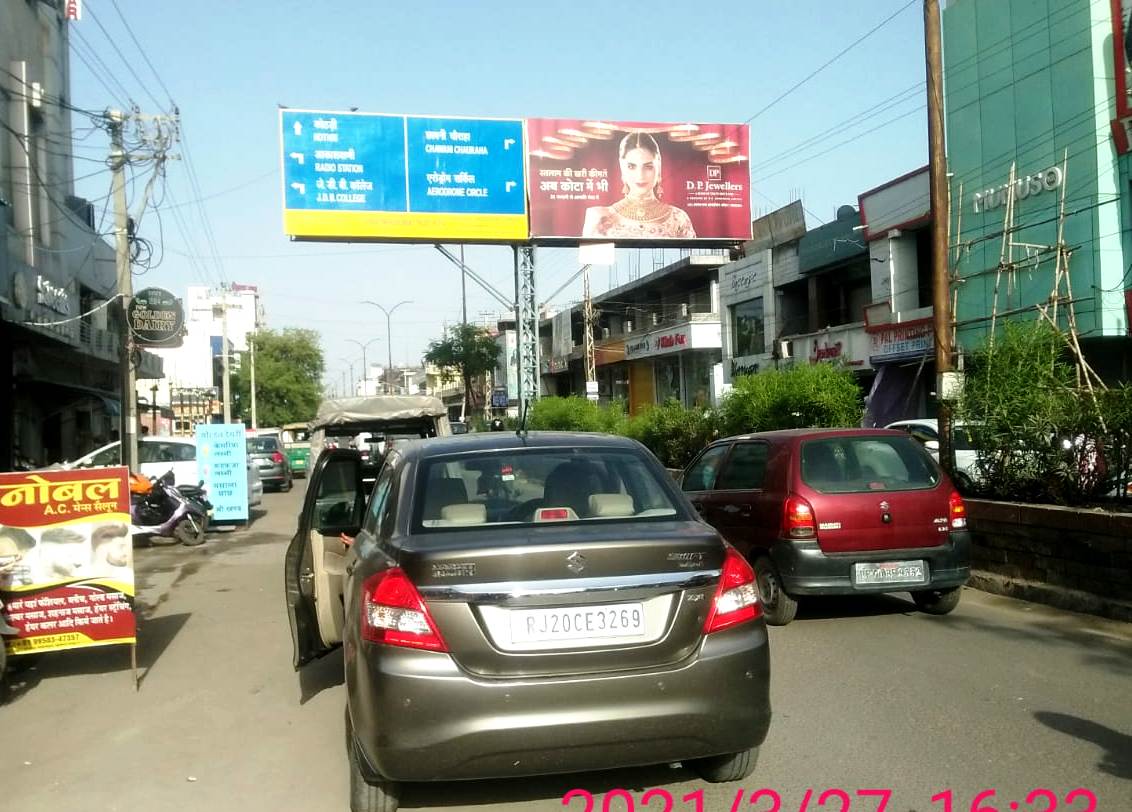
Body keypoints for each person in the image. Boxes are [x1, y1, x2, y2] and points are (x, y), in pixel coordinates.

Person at [582, 132, 696, 239]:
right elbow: (590, 259)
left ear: (659, 168)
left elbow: (690, 258)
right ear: (622, 168)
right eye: (631, 167)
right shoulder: (598, 217)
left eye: (648, 167)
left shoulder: (678, 218)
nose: (640, 175)